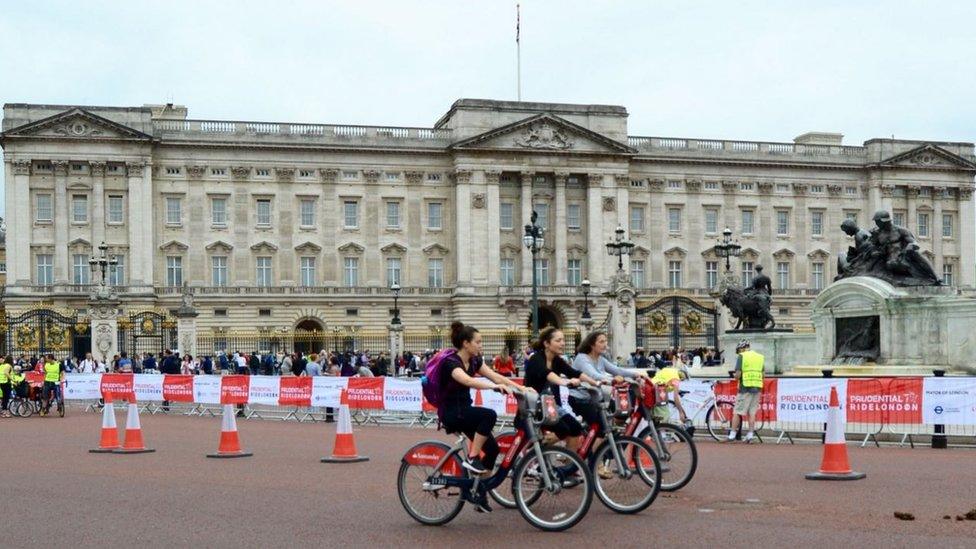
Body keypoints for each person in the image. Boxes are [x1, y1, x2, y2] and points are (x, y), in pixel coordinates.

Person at [436, 321, 524, 513]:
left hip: (464, 410)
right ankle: (472, 457)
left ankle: (479, 492)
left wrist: (521, 387)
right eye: (478, 342)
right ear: (466, 344)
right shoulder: (451, 362)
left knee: (492, 450)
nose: (481, 345)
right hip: (451, 413)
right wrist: (493, 388)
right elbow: (467, 380)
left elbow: (496, 376)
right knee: (489, 415)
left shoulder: (475, 360)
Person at [570, 331, 648, 474]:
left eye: (606, 341)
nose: (605, 344)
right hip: (580, 399)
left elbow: (616, 369)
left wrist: (636, 374)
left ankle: (606, 440)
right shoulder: (582, 358)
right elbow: (591, 374)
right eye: (601, 341)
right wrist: (608, 379)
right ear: (592, 344)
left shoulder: (601, 359)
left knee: (623, 411)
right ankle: (596, 464)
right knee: (600, 426)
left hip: (596, 398)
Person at [524, 327, 600, 455]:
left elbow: (574, 373)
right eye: (558, 340)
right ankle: (532, 455)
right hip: (534, 406)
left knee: (576, 428)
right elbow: (547, 374)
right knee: (563, 429)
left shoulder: (557, 360)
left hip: (550, 406)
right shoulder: (536, 358)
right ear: (547, 344)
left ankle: (570, 464)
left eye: (563, 340)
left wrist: (596, 383)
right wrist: (564, 382)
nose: (563, 343)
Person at [728, 340, 764, 443]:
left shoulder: (742, 356)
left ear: (742, 348)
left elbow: (738, 374)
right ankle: (750, 435)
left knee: (737, 412)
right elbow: (763, 374)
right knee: (752, 413)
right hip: (757, 387)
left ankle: (732, 434)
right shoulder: (759, 357)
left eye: (739, 350)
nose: (739, 353)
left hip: (745, 387)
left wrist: (734, 376)